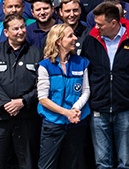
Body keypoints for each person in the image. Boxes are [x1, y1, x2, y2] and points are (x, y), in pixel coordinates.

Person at [81, 3, 129, 169]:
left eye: (100, 24)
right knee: (102, 163)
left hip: (126, 108)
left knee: (126, 162)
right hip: (99, 108)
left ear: (114, 23)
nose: (96, 27)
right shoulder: (91, 40)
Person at [0, 15, 43, 169]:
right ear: (6, 32)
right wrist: (6, 103)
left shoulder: (36, 53)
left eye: (22, 27)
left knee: (27, 162)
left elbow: (41, 84)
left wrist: (22, 101)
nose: (20, 31)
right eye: (15, 28)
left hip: (26, 117)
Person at [37, 23, 93, 169]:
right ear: (59, 41)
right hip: (53, 124)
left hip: (76, 122)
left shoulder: (81, 62)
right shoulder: (45, 65)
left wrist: (74, 110)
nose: (75, 38)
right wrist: (66, 112)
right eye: (70, 36)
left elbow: (86, 90)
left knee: (72, 164)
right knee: (47, 165)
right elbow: (43, 98)